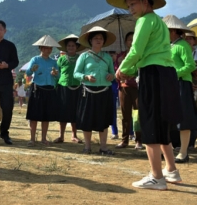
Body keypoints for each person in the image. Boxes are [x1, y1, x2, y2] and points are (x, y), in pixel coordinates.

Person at [109, 0, 182, 189]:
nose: (130, 9)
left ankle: (157, 177)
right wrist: (130, 70)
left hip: (153, 74)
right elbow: (146, 54)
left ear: (144, 1)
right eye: (128, 6)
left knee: (149, 123)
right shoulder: (159, 22)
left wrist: (121, 68)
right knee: (160, 124)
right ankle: (171, 170)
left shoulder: (144, 21)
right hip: (165, 74)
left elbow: (137, 50)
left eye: (133, 4)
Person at [74, 27, 116, 155]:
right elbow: (76, 73)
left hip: (104, 91)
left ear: (104, 41)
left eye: (101, 38)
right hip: (88, 91)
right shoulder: (84, 56)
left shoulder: (107, 57)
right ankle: (87, 147)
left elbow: (113, 73)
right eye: (96, 38)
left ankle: (103, 147)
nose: (99, 40)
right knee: (87, 119)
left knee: (103, 119)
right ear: (90, 40)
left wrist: (111, 76)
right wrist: (85, 77)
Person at [164, 14, 197, 163]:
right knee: (168, 118)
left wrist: (174, 74)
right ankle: (168, 150)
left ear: (173, 31)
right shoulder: (169, 46)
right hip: (170, 85)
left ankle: (183, 153)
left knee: (183, 119)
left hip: (181, 84)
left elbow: (191, 65)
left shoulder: (183, 45)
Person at [25, 35, 60, 146]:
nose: (48, 50)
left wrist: (55, 74)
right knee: (34, 115)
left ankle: (44, 138)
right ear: (40, 48)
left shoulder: (53, 62)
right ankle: (32, 139)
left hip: (49, 89)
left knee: (46, 116)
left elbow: (57, 76)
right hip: (37, 89)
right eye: (45, 48)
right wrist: (32, 69)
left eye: (50, 48)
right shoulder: (35, 59)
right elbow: (28, 74)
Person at [54, 34, 85, 144]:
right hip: (63, 87)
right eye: (69, 46)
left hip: (77, 87)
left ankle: (74, 135)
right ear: (66, 47)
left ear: (76, 47)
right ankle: (61, 136)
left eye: (73, 46)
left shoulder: (80, 58)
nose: (71, 47)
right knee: (63, 111)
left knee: (75, 111)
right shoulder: (61, 59)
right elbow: (56, 72)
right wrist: (54, 74)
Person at [115, 32, 142, 149]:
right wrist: (120, 65)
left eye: (133, 39)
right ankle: (124, 140)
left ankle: (139, 140)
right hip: (124, 88)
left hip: (137, 88)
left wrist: (129, 72)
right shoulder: (120, 56)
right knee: (125, 115)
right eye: (129, 39)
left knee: (137, 114)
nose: (131, 42)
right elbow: (116, 71)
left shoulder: (140, 55)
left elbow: (138, 70)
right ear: (126, 42)